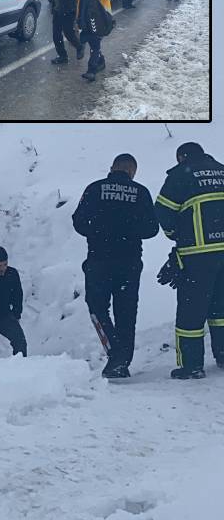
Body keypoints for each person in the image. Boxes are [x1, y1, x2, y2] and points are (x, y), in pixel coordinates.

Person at [72, 153, 160, 378]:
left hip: (99, 260)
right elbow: (152, 229)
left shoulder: (94, 188)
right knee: (127, 312)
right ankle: (122, 362)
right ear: (132, 171)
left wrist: (99, 230)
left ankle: (115, 354)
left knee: (96, 307)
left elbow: (79, 222)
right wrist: (128, 230)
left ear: (112, 168)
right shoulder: (141, 192)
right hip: (129, 262)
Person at [155, 142, 224, 380]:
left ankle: (192, 365)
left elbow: (163, 212)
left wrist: (177, 236)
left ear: (182, 157)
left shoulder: (181, 175)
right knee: (221, 309)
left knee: (191, 311)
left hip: (197, 254)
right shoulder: (222, 170)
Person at [73, 0, 112, 83]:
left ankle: (92, 70)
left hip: (99, 17)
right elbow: (83, 0)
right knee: (91, 41)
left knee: (94, 43)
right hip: (86, 17)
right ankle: (100, 61)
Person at [48, 0, 83, 65]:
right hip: (58, 10)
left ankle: (79, 47)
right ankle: (62, 56)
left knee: (69, 34)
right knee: (56, 35)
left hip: (68, 10)